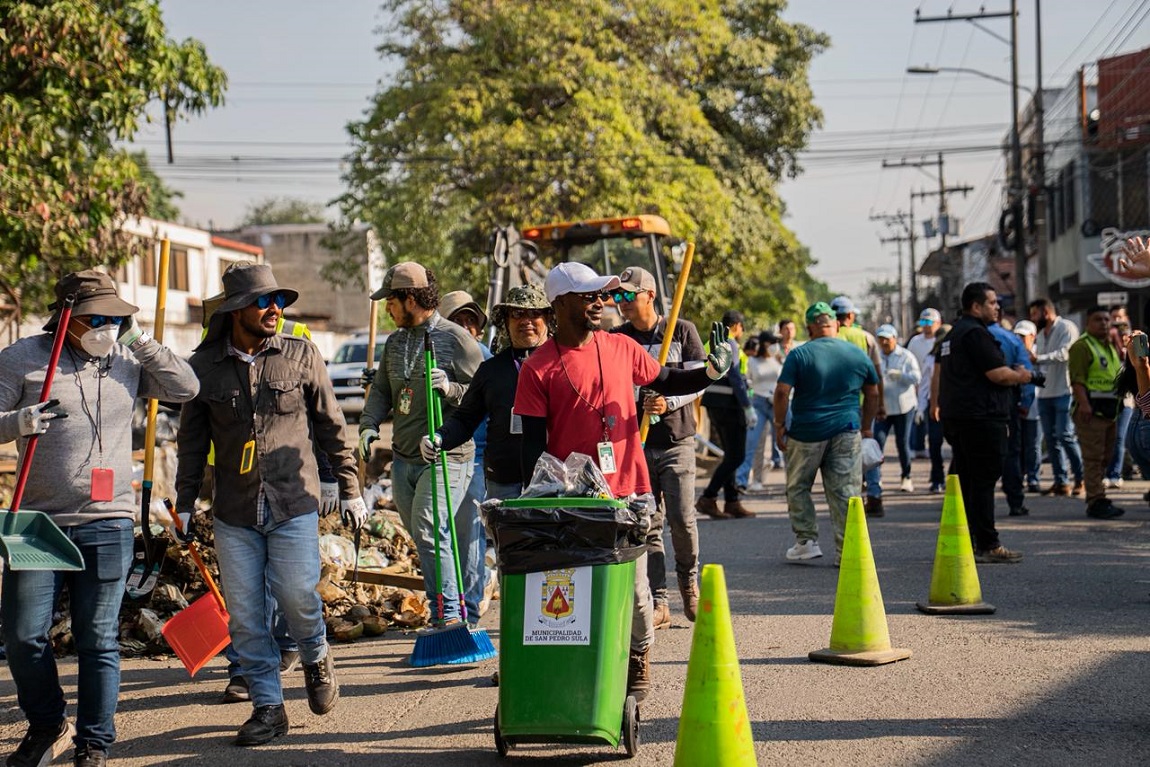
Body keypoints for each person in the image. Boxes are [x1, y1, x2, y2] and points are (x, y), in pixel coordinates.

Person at [0, 270, 198, 767]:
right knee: (22, 636)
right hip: (37, 521)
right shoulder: (24, 358)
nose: (107, 326)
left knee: (98, 636)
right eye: (96, 318)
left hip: (107, 519)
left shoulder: (128, 357)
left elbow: (186, 387)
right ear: (65, 319)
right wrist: (17, 422)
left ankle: (95, 741)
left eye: (116, 317)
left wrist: (137, 336)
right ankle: (48, 725)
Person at [514, 262, 733, 702]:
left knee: (636, 594)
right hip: (572, 501)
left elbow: (668, 377)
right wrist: (534, 505)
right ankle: (580, 666)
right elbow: (532, 451)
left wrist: (710, 372)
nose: (600, 302)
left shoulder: (620, 347)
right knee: (574, 594)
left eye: (603, 296)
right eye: (589, 296)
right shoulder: (536, 369)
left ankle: (638, 655)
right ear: (560, 303)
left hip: (628, 492)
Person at [175, 263, 366, 746]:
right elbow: (192, 444)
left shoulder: (301, 356)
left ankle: (316, 654)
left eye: (278, 300)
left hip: (292, 502)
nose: (275, 309)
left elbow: (331, 426)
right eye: (264, 301)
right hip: (234, 510)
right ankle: (268, 707)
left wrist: (349, 487)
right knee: (244, 615)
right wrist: (182, 502)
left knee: (297, 595)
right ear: (237, 309)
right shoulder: (203, 367)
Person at [359, 262, 485, 626]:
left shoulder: (457, 339)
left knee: (431, 530)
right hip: (404, 458)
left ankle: (448, 614)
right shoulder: (395, 342)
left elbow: (482, 398)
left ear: (410, 298)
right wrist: (368, 425)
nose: (387, 308)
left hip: (447, 456)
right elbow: (382, 390)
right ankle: (445, 605)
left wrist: (451, 388)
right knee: (423, 537)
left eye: (392, 301)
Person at [611, 266, 708, 627]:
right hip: (634, 443)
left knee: (682, 519)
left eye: (628, 295)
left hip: (676, 441)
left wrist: (671, 401)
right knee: (648, 523)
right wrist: (637, 397)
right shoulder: (618, 338)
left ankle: (688, 582)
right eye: (617, 296)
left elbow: (699, 380)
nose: (621, 303)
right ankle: (659, 599)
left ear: (649, 295)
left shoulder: (681, 331)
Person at [774, 302, 879, 564]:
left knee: (798, 487)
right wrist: (866, 426)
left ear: (810, 326)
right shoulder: (856, 354)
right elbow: (874, 392)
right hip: (847, 430)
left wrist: (779, 425)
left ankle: (806, 541)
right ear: (835, 323)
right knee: (846, 491)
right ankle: (849, 551)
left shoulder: (799, 354)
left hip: (806, 432)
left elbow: (781, 392)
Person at [428, 285, 551, 501]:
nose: (526, 321)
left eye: (535, 313)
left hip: (553, 478)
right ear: (506, 320)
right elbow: (466, 418)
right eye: (517, 314)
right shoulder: (491, 370)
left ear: (548, 319)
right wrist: (439, 438)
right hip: (503, 480)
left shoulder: (560, 365)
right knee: (506, 535)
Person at [939, 282, 1032, 564]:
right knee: (982, 481)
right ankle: (988, 544)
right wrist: (1021, 376)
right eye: (991, 302)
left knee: (968, 480)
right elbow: (997, 374)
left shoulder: (953, 333)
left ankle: (971, 539)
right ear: (976, 306)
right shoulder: (975, 333)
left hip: (960, 417)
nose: (997, 307)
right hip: (981, 418)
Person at [438, 290, 494, 618]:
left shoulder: (481, 356)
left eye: (470, 321)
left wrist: (449, 388)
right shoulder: (432, 356)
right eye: (457, 321)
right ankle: (468, 590)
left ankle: (469, 611)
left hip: (475, 455)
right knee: (445, 534)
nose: (465, 328)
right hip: (440, 454)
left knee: (469, 531)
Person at [1068, 306, 1125, 519]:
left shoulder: (1109, 346)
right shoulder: (1082, 346)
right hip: (1091, 412)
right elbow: (1077, 379)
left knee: (1105, 458)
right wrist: (1084, 404)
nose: (1103, 323)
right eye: (1098, 319)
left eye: (1106, 320)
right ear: (1088, 323)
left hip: (1110, 412)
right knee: (1093, 458)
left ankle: (1098, 494)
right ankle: (1096, 500)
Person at [697, 309, 755, 519]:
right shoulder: (730, 343)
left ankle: (732, 502)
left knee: (730, 453)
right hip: (730, 406)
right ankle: (708, 497)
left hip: (714, 404)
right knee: (737, 456)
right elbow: (736, 378)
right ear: (737, 326)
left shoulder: (711, 341)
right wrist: (747, 406)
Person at [1028, 298, 1084, 496]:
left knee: (1065, 435)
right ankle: (1061, 481)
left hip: (1064, 391)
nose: (1032, 318)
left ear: (1045, 312)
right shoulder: (1042, 334)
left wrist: (1038, 359)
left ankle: (1080, 478)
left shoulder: (1066, 327)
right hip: (1044, 393)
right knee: (1051, 440)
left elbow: (1065, 354)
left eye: (1034, 314)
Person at [865, 324, 920, 517]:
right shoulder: (876, 355)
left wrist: (901, 376)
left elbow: (916, 377)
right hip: (882, 408)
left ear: (895, 338)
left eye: (887, 338)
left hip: (904, 406)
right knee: (876, 443)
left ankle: (906, 476)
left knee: (902, 442)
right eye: (881, 338)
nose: (884, 342)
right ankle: (875, 480)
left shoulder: (905, 355)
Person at [988, 318, 1035, 518]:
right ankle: (1015, 502)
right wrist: (1025, 402)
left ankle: (976, 505)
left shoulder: (962, 335)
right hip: (1007, 400)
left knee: (978, 454)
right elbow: (1026, 373)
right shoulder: (1011, 339)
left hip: (974, 404)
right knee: (1011, 453)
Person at [738, 333, 779, 491]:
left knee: (784, 442)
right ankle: (743, 480)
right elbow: (747, 382)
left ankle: (792, 482)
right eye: (772, 343)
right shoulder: (752, 361)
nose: (775, 346)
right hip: (759, 402)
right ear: (763, 344)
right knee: (753, 442)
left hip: (776, 403)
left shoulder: (777, 360)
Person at [918, 325, 951, 494]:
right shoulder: (931, 359)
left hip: (954, 404)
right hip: (935, 405)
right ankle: (937, 477)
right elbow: (926, 384)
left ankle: (954, 477)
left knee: (957, 443)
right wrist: (924, 406)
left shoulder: (958, 356)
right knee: (935, 442)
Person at [1012, 320, 1043, 493]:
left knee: (1033, 445)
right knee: (1018, 445)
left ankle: (1033, 478)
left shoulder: (1040, 355)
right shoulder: (1015, 355)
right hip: (1017, 407)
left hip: (1035, 409)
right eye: (1017, 336)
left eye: (1023, 336)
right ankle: (1018, 476)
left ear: (1033, 336)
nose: (1019, 339)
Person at [1105, 305, 1133, 488]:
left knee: (1122, 437)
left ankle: (1117, 473)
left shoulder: (1137, 344)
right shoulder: (1107, 347)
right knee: (1110, 437)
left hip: (1130, 399)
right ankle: (1110, 473)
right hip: (1109, 397)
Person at [907, 308, 942, 457]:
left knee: (934, 419)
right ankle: (918, 446)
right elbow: (908, 361)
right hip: (918, 385)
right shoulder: (915, 341)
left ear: (938, 323)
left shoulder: (941, 341)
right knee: (918, 416)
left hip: (936, 385)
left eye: (929, 322)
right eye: (923, 322)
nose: (926, 325)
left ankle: (935, 449)